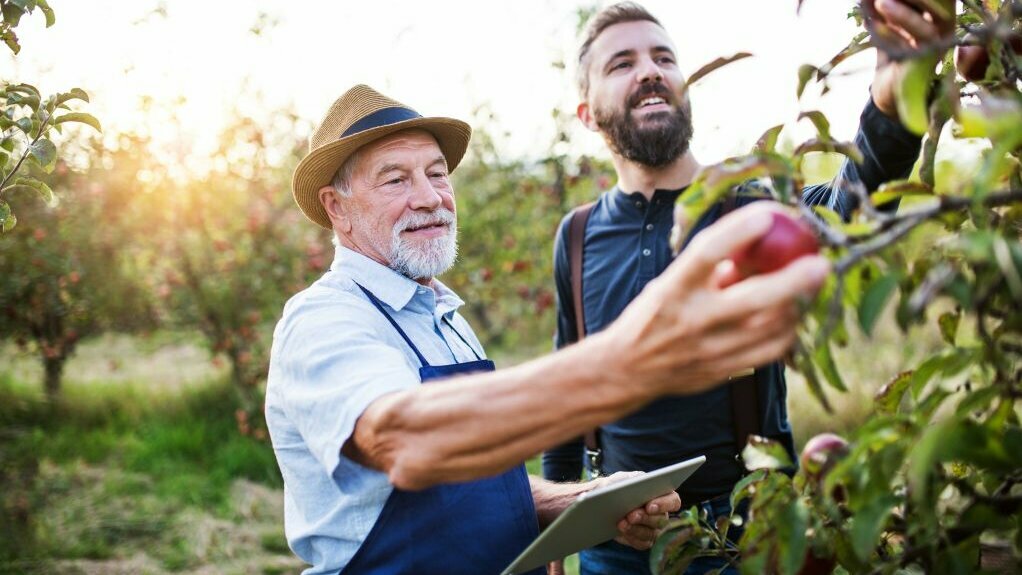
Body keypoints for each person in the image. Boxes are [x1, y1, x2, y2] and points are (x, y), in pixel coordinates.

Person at [265, 84, 830, 575]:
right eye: (395, 179)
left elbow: (470, 490)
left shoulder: (444, 319)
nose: (431, 197)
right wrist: (625, 362)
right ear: (336, 208)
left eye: (437, 173)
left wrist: (587, 499)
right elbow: (406, 443)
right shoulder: (325, 320)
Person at [541, 2, 954, 574]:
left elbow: (845, 207)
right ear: (587, 114)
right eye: (622, 63)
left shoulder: (747, 206)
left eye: (664, 57)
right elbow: (567, 387)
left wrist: (889, 97)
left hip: (742, 530)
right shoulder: (577, 235)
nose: (650, 71)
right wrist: (558, 538)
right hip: (612, 538)